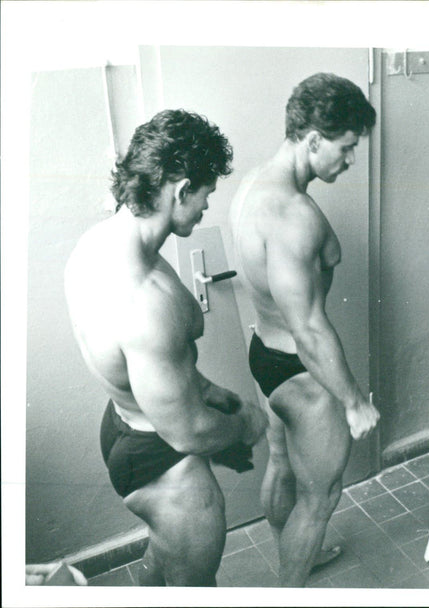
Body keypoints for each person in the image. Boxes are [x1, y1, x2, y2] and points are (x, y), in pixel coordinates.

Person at [64, 109, 268, 586]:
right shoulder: (144, 302)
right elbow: (189, 434)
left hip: (126, 423)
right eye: (205, 195)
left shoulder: (95, 245)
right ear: (180, 190)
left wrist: (213, 393)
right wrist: (245, 425)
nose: (205, 209)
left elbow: (150, 370)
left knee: (165, 572)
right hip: (160, 454)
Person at [230, 73, 379, 587]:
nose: (351, 160)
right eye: (347, 147)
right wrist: (354, 401)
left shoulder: (254, 185)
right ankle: (290, 588)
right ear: (314, 139)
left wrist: (327, 250)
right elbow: (311, 328)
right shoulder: (295, 215)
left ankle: (293, 553)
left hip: (263, 354)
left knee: (280, 461)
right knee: (322, 498)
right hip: (302, 369)